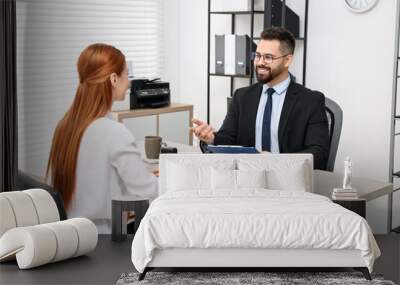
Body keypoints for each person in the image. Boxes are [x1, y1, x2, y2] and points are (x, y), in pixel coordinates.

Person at [46, 43, 158, 233]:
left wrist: (141, 174)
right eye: (126, 75)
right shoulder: (114, 132)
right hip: (104, 240)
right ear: (114, 79)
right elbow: (149, 193)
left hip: (70, 235)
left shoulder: (65, 126)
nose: (129, 83)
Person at [192, 27, 329, 170]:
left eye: (268, 57)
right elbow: (228, 138)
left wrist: (277, 161)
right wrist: (212, 138)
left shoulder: (311, 101)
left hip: (288, 178)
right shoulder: (242, 96)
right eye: (257, 56)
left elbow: (319, 154)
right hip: (248, 176)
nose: (260, 63)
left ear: (287, 60)